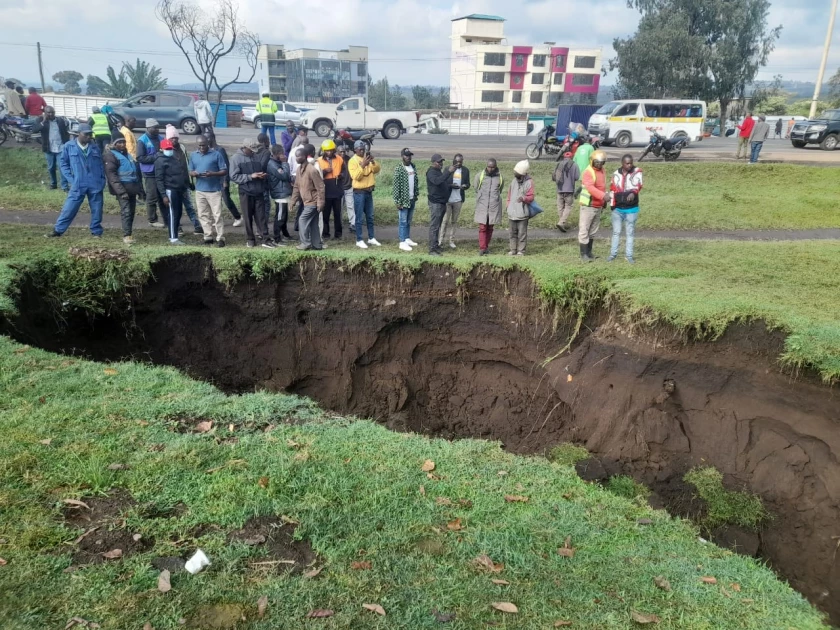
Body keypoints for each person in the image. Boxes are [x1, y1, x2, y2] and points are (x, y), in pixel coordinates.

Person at [46, 124, 106, 238]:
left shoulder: (95, 147)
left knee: (97, 208)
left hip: (95, 182)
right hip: (78, 182)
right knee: (70, 207)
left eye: (90, 134)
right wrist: (71, 179)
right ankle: (58, 230)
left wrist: (102, 179)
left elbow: (101, 165)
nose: (89, 137)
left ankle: (96, 232)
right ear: (79, 134)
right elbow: (63, 164)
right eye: (86, 134)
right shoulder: (69, 146)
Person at [230, 139, 274, 248]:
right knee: (247, 216)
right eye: (251, 150)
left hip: (258, 191)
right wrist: (250, 176)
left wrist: (261, 176)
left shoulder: (255, 156)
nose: (253, 152)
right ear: (245, 148)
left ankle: (265, 238)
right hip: (246, 192)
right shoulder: (236, 158)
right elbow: (234, 177)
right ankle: (250, 239)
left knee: (261, 216)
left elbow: (258, 171)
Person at [103, 132, 144, 245]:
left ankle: (129, 233)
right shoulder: (111, 155)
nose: (122, 144)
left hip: (132, 189)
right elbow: (112, 176)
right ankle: (126, 235)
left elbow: (136, 174)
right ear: (114, 144)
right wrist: (121, 192)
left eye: (123, 142)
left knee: (131, 212)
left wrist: (140, 190)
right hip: (122, 190)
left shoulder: (128, 155)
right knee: (126, 212)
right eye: (119, 142)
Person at [189, 134, 228, 247]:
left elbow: (224, 170)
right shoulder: (193, 155)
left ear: (208, 144)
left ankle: (220, 237)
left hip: (214, 190)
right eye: (200, 145)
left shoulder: (216, 154)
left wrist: (213, 174)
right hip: (200, 190)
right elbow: (190, 170)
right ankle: (208, 236)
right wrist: (194, 173)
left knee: (217, 214)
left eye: (204, 145)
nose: (202, 147)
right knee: (203, 214)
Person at [165, 125, 202, 235]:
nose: (174, 140)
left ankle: (197, 225)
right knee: (175, 208)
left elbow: (187, 164)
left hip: (184, 184)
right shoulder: (166, 150)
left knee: (189, 206)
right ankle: (177, 228)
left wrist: (190, 181)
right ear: (168, 139)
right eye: (172, 138)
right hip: (172, 185)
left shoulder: (182, 147)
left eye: (176, 137)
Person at [290, 143, 326, 251]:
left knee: (302, 220)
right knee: (314, 224)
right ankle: (317, 245)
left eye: (299, 156)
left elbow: (321, 187)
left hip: (313, 202)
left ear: (305, 156)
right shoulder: (299, 169)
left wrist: (321, 203)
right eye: (296, 156)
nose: (297, 158)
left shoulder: (312, 170)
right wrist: (292, 201)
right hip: (307, 202)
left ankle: (305, 243)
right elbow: (296, 187)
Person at [608, 154, 643, 264]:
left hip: (631, 209)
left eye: (631, 163)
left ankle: (629, 256)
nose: (629, 165)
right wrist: (612, 206)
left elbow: (638, 185)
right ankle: (613, 255)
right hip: (617, 209)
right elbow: (612, 189)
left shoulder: (637, 171)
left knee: (630, 233)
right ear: (622, 163)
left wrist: (633, 193)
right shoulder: (615, 174)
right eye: (627, 163)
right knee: (616, 232)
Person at [155, 138, 190, 245]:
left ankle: (175, 234)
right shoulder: (159, 161)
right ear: (161, 149)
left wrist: (184, 188)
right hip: (170, 190)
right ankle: (173, 238)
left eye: (170, 148)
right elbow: (159, 179)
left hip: (179, 189)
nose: (169, 150)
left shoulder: (173, 157)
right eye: (167, 148)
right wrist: (163, 195)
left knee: (178, 213)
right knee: (173, 213)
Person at [348, 139, 381, 249]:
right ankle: (359, 239)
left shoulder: (367, 159)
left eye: (364, 149)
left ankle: (371, 238)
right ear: (355, 150)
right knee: (359, 218)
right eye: (360, 149)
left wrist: (372, 162)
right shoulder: (352, 161)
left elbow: (376, 170)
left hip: (369, 191)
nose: (362, 151)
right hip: (359, 193)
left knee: (370, 216)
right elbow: (356, 177)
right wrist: (362, 165)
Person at [579, 149, 608, 262]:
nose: (599, 164)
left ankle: (589, 252)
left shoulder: (602, 171)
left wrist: (603, 201)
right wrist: (603, 196)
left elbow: (602, 186)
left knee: (593, 231)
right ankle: (583, 255)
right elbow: (590, 188)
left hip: (598, 205)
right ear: (592, 161)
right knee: (584, 230)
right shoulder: (588, 172)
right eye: (597, 162)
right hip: (588, 205)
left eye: (601, 162)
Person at [207, 132, 242, 226]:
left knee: (226, 199)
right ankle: (218, 220)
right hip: (213, 180)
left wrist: (225, 180)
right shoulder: (209, 150)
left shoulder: (220, 150)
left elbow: (226, 166)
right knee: (215, 201)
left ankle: (237, 217)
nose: (206, 141)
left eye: (207, 138)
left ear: (212, 138)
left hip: (222, 180)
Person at [137, 118, 165, 228]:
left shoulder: (160, 138)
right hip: (150, 173)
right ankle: (152, 220)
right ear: (148, 128)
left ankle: (166, 218)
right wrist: (156, 157)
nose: (157, 129)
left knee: (163, 196)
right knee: (152, 197)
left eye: (158, 127)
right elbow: (140, 157)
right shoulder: (142, 141)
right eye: (155, 128)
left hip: (161, 171)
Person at [426, 153, 455, 257]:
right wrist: (448, 172)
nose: (441, 163)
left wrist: (450, 186)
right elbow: (437, 181)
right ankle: (432, 249)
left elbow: (442, 183)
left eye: (442, 161)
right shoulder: (431, 172)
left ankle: (435, 245)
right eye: (439, 162)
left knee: (437, 225)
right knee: (434, 226)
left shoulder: (437, 171)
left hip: (441, 202)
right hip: (436, 203)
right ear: (434, 163)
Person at [473, 158, 504, 256]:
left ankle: (486, 247)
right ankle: (482, 248)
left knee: (490, 227)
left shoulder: (500, 177)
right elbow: (476, 187)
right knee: (482, 227)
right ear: (486, 166)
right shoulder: (480, 175)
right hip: (482, 205)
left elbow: (500, 189)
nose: (490, 169)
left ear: (496, 166)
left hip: (494, 206)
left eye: (492, 167)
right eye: (489, 167)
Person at [439, 153, 470, 249]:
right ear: (453, 161)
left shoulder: (465, 170)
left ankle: (451, 241)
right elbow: (442, 182)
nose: (459, 163)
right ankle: (440, 240)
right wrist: (451, 186)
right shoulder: (448, 169)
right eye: (457, 161)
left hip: (458, 200)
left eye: (460, 162)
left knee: (454, 221)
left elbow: (468, 183)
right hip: (448, 199)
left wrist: (465, 186)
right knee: (445, 221)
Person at [392, 147, 420, 251]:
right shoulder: (399, 169)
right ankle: (402, 242)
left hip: (412, 198)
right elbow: (395, 186)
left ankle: (407, 238)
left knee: (408, 220)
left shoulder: (413, 167)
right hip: (403, 200)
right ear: (402, 156)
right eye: (406, 155)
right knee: (402, 221)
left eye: (409, 155)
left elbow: (415, 181)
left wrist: (416, 194)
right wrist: (397, 201)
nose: (408, 157)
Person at [317, 139, 345, 240]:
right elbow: (316, 176)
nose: (329, 152)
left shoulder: (340, 159)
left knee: (338, 214)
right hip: (326, 191)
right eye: (327, 150)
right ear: (323, 150)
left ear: (334, 150)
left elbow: (344, 172)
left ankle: (338, 234)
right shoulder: (319, 161)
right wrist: (324, 172)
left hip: (337, 190)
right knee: (325, 214)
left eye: (331, 150)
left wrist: (341, 175)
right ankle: (325, 233)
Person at [506, 160, 534, 256]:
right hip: (512, 212)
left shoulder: (529, 182)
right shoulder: (513, 181)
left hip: (522, 213)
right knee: (512, 233)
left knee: (522, 234)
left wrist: (524, 198)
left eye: (517, 174)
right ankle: (513, 249)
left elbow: (531, 197)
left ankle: (521, 251)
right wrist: (508, 206)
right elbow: (509, 195)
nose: (515, 175)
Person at [39, 106, 70, 191]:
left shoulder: (60, 120)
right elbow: (35, 129)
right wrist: (43, 121)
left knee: (62, 167)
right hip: (49, 148)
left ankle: (64, 186)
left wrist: (66, 144)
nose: (51, 114)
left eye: (52, 112)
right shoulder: (41, 120)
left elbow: (65, 132)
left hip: (60, 147)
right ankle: (53, 184)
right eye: (48, 112)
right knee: (51, 167)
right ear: (45, 113)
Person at [267, 144, 293, 243]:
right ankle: (277, 238)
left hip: (283, 192)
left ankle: (285, 234)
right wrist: (285, 163)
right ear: (277, 154)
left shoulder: (277, 163)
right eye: (281, 153)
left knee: (284, 216)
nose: (283, 155)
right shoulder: (273, 164)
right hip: (279, 193)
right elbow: (285, 176)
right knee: (280, 216)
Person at [553, 151, 580, 232]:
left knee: (560, 206)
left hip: (559, 189)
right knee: (568, 206)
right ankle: (561, 222)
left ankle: (562, 222)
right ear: (571, 157)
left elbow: (554, 176)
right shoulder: (574, 164)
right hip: (569, 190)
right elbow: (577, 177)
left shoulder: (559, 164)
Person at [338, 143, 355, 228]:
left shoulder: (349, 160)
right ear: (337, 152)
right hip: (340, 188)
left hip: (349, 187)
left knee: (350, 206)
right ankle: (339, 224)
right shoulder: (336, 161)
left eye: (344, 152)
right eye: (340, 152)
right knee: (339, 208)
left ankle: (352, 223)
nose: (342, 154)